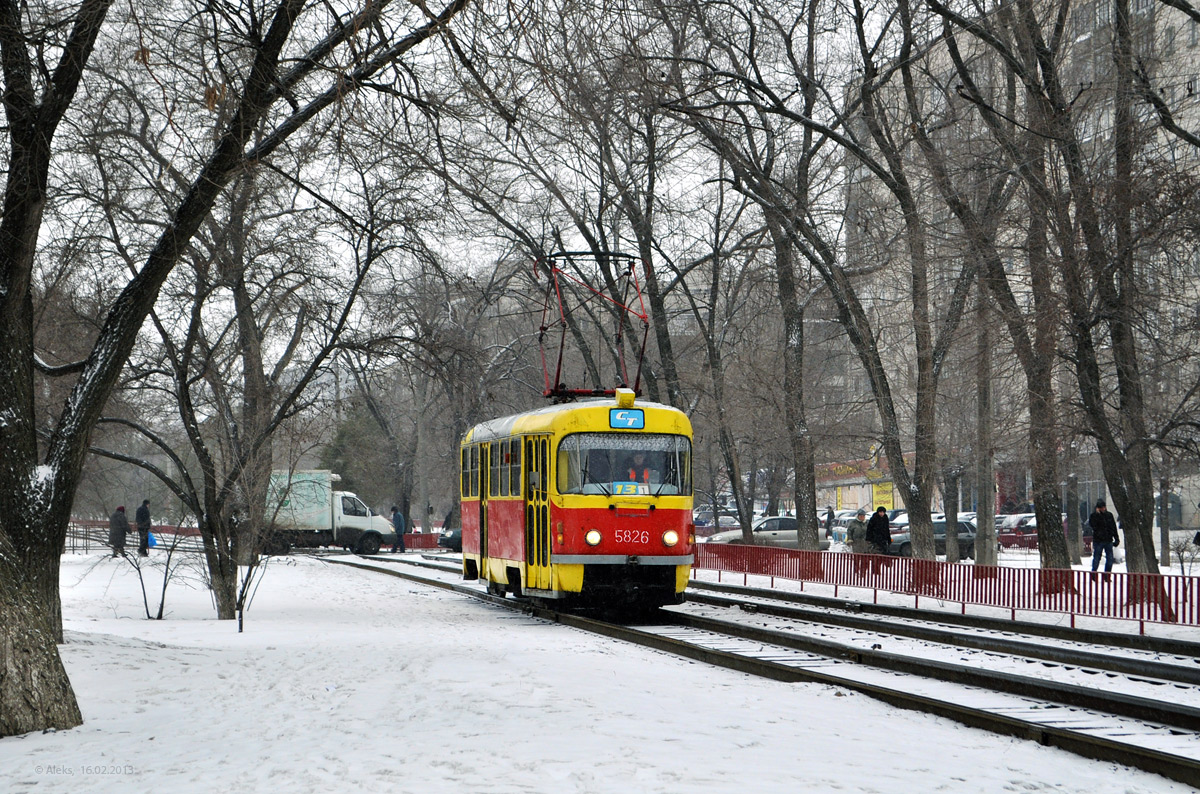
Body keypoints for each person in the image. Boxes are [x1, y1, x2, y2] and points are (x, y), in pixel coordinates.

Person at [1088, 498, 1119, 579]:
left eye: (1103, 507)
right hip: (1098, 540)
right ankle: (1094, 573)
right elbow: (1093, 525)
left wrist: (1116, 538)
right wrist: (1097, 515)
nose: (1103, 509)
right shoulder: (1094, 516)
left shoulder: (1109, 515)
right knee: (1097, 558)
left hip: (1108, 539)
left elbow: (1113, 527)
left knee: (1110, 559)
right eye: (1101, 508)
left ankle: (1107, 575)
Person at [846, 508, 870, 574]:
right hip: (856, 543)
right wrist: (850, 539)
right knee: (857, 558)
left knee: (864, 559)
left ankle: (863, 572)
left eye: (863, 516)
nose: (862, 517)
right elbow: (849, 531)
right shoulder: (853, 523)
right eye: (861, 516)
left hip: (865, 544)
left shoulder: (866, 523)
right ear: (858, 516)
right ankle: (856, 571)